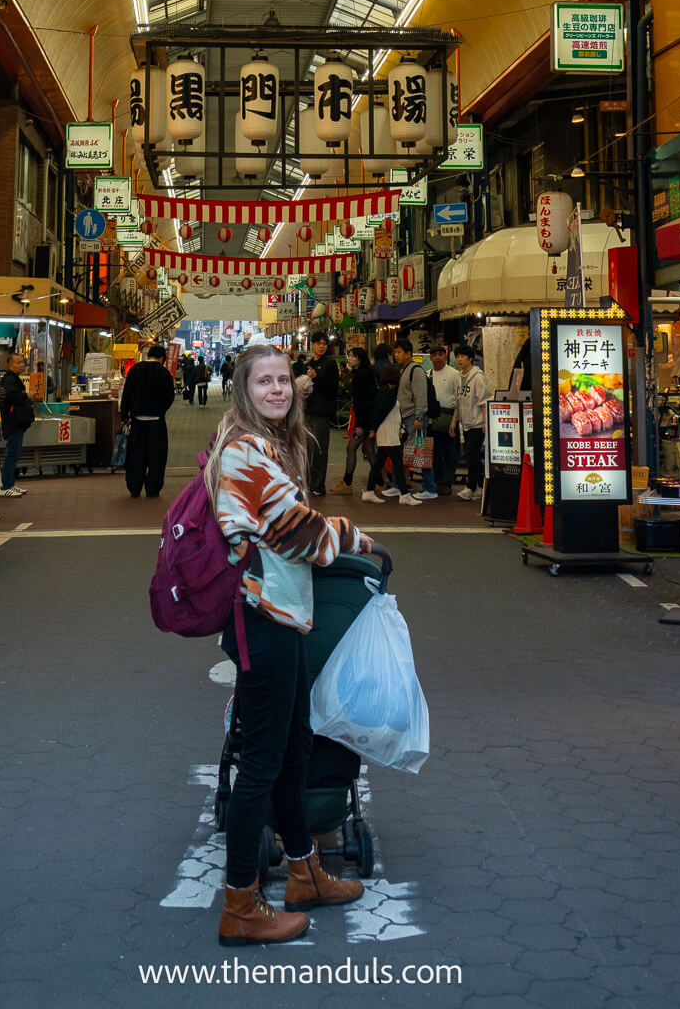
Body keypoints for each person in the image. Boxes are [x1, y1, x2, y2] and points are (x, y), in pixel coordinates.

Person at [207, 344, 384, 946]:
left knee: (291, 748)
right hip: (259, 615)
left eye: (284, 380)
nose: (278, 390)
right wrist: (359, 537)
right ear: (244, 390)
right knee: (262, 760)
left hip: (277, 614)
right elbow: (298, 532)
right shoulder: (246, 450)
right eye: (265, 382)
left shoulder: (269, 446)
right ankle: (241, 905)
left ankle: (305, 872)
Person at [119, 342, 175, 498]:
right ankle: (153, 488)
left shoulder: (135, 370)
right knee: (157, 458)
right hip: (157, 422)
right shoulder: (164, 374)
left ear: (148, 354)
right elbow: (170, 397)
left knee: (136, 457)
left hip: (137, 422)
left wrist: (125, 415)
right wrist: (161, 410)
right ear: (162, 358)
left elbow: (127, 394)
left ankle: (134, 488)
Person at [364, 357, 417, 505]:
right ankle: (404, 494)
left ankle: (369, 491)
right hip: (388, 433)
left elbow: (378, 412)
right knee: (397, 464)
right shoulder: (387, 392)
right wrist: (373, 428)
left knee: (379, 463)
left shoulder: (385, 390)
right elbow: (380, 412)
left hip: (386, 432)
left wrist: (374, 428)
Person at [297, 331, 338, 498]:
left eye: (324, 343)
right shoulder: (307, 364)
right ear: (312, 345)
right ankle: (306, 484)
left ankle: (318, 486)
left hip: (322, 413)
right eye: (318, 343)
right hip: (307, 411)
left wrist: (317, 378)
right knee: (306, 449)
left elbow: (332, 388)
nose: (321, 346)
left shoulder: (330, 364)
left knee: (320, 449)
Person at [392, 339, 431, 499]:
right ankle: (398, 485)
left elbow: (421, 396)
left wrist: (419, 417)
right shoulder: (403, 369)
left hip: (414, 418)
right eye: (395, 352)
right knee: (401, 454)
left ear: (408, 353)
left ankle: (429, 487)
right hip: (403, 418)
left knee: (421, 453)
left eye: (399, 352)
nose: (396, 355)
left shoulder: (416, 370)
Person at [335, 347, 378, 496]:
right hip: (368, 419)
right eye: (349, 356)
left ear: (360, 358)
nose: (349, 359)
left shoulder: (361, 376)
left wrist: (360, 425)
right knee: (370, 451)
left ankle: (347, 482)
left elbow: (362, 402)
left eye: (352, 356)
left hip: (364, 420)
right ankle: (381, 481)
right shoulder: (365, 374)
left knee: (351, 448)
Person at [0, 355, 35, 497]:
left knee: (14, 454)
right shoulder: (9, 380)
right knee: (11, 454)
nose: (22, 365)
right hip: (13, 422)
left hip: (17, 422)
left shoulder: (13, 379)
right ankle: (5, 486)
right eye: (19, 363)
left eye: (23, 362)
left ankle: (10, 484)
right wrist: (26, 396)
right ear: (10, 365)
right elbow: (9, 397)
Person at [453, 344, 488, 501]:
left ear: (471, 358)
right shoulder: (459, 377)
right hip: (465, 423)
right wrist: (454, 422)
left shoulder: (478, 376)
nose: (459, 359)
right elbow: (458, 402)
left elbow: (484, 400)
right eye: (457, 356)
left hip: (477, 423)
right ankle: (480, 486)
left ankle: (471, 487)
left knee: (470, 455)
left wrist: (485, 421)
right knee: (471, 456)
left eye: (463, 356)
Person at [427, 340, 461, 497]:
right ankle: (438, 482)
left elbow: (459, 399)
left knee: (451, 454)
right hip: (432, 420)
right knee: (434, 454)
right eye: (435, 355)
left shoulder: (454, 374)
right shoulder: (428, 374)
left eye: (441, 355)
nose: (438, 358)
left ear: (445, 357)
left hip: (449, 419)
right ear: (430, 358)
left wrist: (455, 421)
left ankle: (447, 483)